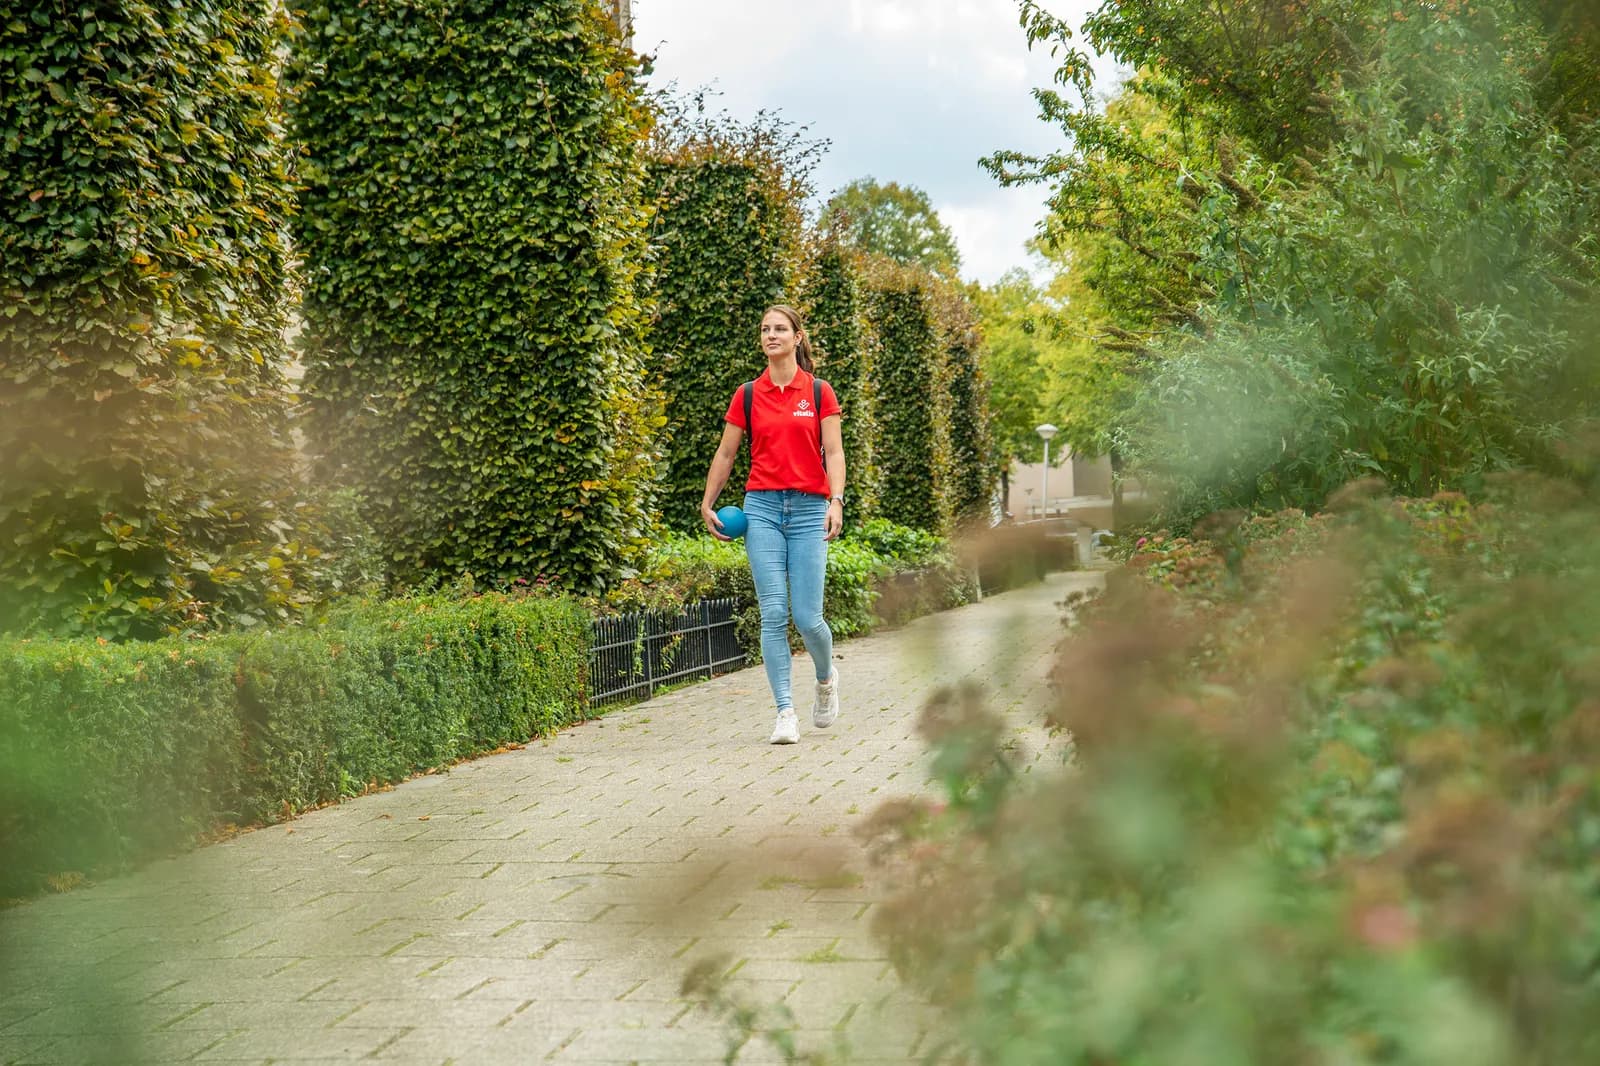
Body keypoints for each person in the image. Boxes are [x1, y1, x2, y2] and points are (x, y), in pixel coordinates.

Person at [701, 305, 846, 744]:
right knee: (773, 614)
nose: (771, 335)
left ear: (798, 337)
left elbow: (834, 454)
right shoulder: (747, 394)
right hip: (761, 509)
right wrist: (707, 502)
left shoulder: (819, 392)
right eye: (765, 329)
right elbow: (726, 455)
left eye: (780, 328)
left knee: (807, 617)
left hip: (808, 511)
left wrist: (836, 501)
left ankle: (825, 679)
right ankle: (785, 711)